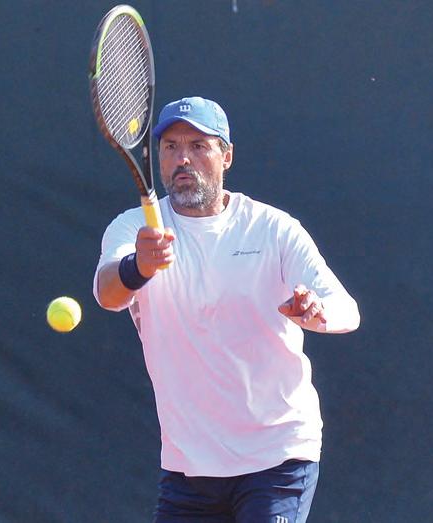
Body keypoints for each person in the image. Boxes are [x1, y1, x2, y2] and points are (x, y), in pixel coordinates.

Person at [93, 96, 360, 522]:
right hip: (189, 466)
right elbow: (108, 293)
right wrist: (137, 266)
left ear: (227, 155)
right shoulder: (133, 228)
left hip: (277, 455)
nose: (183, 158)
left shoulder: (273, 229)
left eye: (199, 146)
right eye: (171, 147)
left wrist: (318, 312)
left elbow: (347, 310)